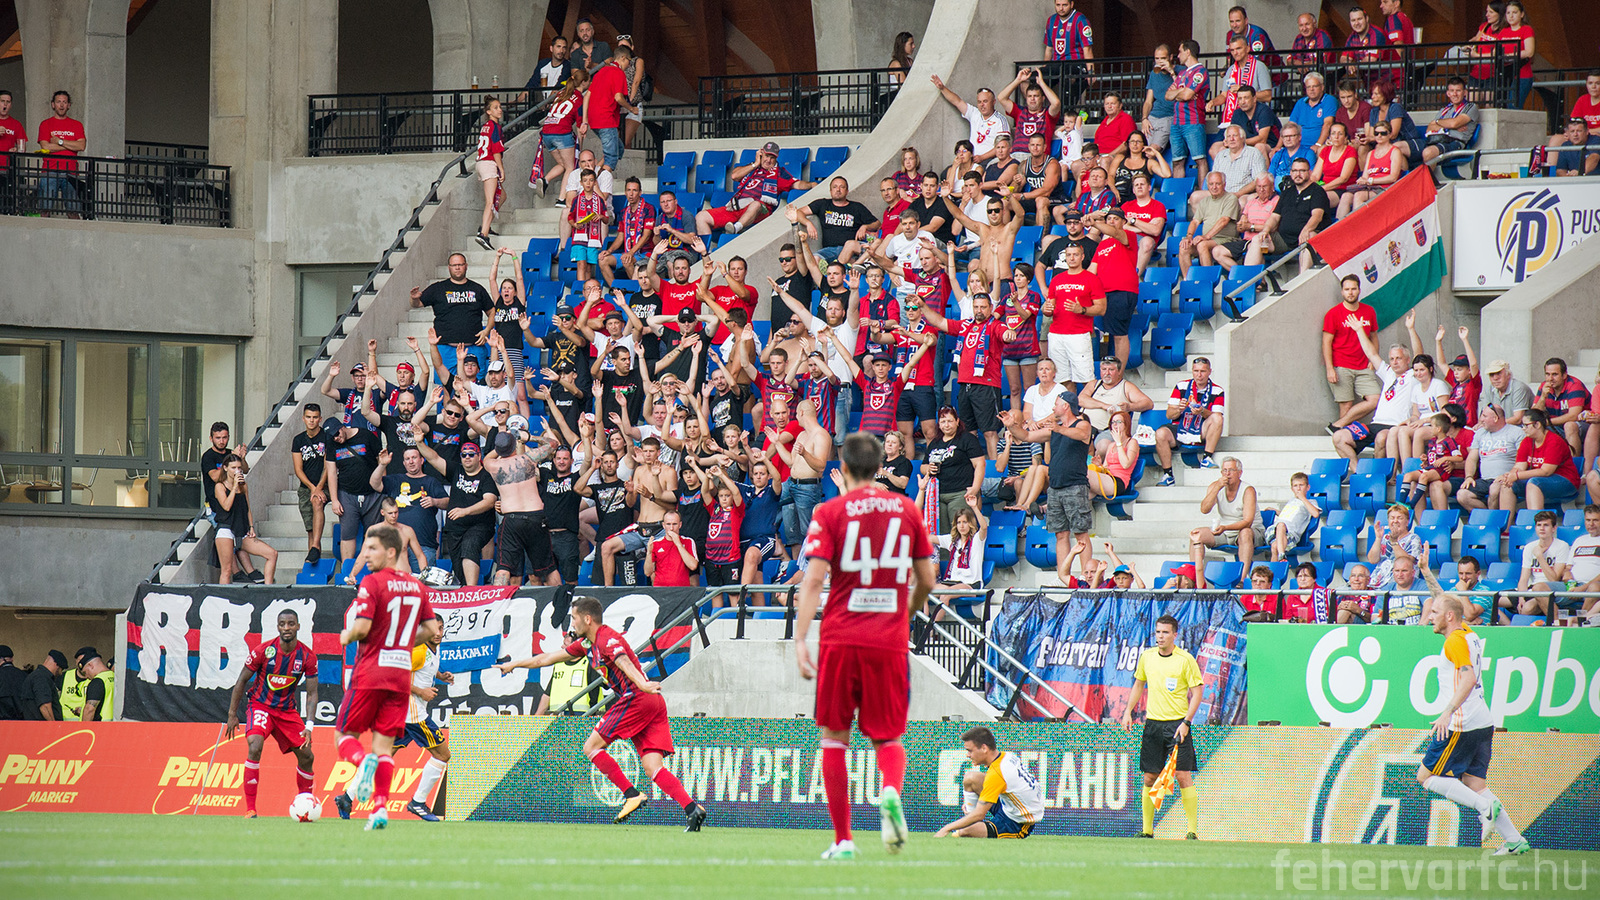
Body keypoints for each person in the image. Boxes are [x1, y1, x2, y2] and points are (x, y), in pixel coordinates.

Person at [794, 432, 937, 859]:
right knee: (888, 736)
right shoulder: (907, 510)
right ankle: (889, 790)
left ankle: (843, 841)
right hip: (888, 639)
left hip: (841, 636)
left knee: (834, 738)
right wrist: (905, 613)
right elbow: (927, 579)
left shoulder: (831, 511)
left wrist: (800, 637)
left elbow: (813, 580)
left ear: (843, 465)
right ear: (880, 467)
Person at [500, 596, 707, 828]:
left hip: (637, 698)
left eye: (574, 618)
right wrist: (514, 664)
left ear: (587, 619)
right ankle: (692, 808)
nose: (572, 623)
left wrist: (642, 684)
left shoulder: (606, 639)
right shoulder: (587, 644)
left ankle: (631, 795)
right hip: (652, 702)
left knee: (591, 747)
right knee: (652, 767)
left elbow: (623, 661)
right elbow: (546, 659)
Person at [1414, 567, 1530, 855]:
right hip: (1483, 720)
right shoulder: (1467, 632)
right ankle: (1514, 840)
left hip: (1460, 722)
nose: (1430, 616)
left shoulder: (1454, 641)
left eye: (1434, 613)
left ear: (1448, 617)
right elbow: (1446, 600)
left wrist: (1447, 712)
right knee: (1474, 782)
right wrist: (1426, 571)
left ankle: (1484, 808)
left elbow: (1467, 678)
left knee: (1425, 777)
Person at [332, 524, 439, 831]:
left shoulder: (373, 582)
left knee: (344, 736)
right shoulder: (417, 587)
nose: (366, 555)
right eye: (366, 548)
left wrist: (347, 635)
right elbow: (432, 630)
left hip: (371, 671)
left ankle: (361, 763)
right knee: (384, 746)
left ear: (391, 552)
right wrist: (403, 644)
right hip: (399, 677)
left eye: (372, 549)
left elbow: (363, 628)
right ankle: (379, 809)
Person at [336, 615, 453, 821]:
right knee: (442, 755)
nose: (437, 633)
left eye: (441, 628)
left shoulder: (431, 648)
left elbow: (422, 668)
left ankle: (347, 797)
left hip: (400, 713)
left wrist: (440, 676)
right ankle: (418, 802)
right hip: (413, 714)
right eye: (433, 628)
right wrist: (421, 691)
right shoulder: (418, 650)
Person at [223, 609, 316, 818]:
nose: (286, 628)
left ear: (298, 626)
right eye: (282, 624)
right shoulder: (264, 651)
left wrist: (309, 726)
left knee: (307, 756)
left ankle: (306, 807)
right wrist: (232, 714)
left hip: (287, 711)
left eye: (291, 624)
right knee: (254, 745)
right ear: (277, 627)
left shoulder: (307, 656)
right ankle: (250, 809)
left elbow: (312, 694)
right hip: (261, 706)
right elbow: (241, 681)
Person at [1121, 615, 1203, 840]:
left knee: (1182, 775)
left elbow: (1197, 693)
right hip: (1153, 725)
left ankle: (1192, 830)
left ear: (1175, 635)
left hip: (1177, 725)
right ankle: (1147, 830)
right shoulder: (1147, 657)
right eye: (1158, 632)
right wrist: (1128, 711)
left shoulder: (1185, 660)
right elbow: (1139, 684)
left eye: (1165, 632)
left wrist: (1186, 722)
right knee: (1150, 777)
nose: (1160, 636)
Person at [938, 725, 1047, 839]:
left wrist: (946, 828)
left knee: (964, 831)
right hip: (1007, 805)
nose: (968, 755)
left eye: (970, 751)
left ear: (984, 748)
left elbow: (980, 814)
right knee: (970, 778)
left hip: (1018, 823)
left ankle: (972, 824)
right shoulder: (1005, 756)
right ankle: (971, 820)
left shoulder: (997, 773)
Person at [696, 141, 810, 237]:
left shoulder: (779, 173)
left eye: (772, 158)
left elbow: (798, 185)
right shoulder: (751, 168)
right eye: (766, 156)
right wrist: (755, 164)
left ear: (776, 159)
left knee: (756, 204)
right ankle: (706, 252)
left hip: (759, 211)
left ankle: (735, 229)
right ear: (761, 154)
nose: (768, 160)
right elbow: (734, 176)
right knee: (701, 217)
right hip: (736, 208)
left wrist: (814, 185)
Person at [411, 253, 494, 375]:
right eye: (454, 265)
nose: (457, 268)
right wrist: (414, 298)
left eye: (460, 264)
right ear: (449, 267)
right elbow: (417, 304)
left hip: (474, 347)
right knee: (445, 384)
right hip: (445, 349)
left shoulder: (477, 289)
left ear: (466, 266)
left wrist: (486, 331)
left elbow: (492, 312)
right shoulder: (438, 288)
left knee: (477, 384)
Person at [1187, 457, 1261, 585]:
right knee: (1196, 534)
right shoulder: (1216, 486)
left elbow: (1247, 522)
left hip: (1250, 531)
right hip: (1225, 531)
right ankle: (1194, 578)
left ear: (1239, 473)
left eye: (1231, 470)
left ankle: (1241, 579)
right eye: (1224, 470)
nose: (1227, 474)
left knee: (1245, 532)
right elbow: (1204, 509)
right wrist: (1217, 488)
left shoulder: (1248, 490)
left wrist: (1225, 527)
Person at [1153, 357, 1225, 486]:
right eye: (1196, 371)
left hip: (1202, 427)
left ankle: (1207, 457)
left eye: (1203, 371)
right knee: (1160, 433)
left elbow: (1216, 416)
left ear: (1209, 372)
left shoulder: (1217, 390)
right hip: (1180, 426)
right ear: (1192, 371)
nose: (1199, 375)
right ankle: (1168, 475)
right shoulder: (1181, 386)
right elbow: (1169, 414)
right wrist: (1179, 409)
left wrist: (1202, 411)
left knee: (1218, 418)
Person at [1042, 240, 1104, 388]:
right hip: (1057, 334)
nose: (1071, 258)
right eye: (1068, 255)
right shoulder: (1056, 279)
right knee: (1061, 380)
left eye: (1075, 255)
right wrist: (1046, 309)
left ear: (1082, 257)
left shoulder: (1091, 279)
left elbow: (1101, 308)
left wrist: (1082, 309)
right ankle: (1069, 404)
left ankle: (1087, 403)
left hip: (1079, 334)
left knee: (1086, 379)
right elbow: (1050, 307)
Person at [1323, 274, 1379, 432]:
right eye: (1347, 289)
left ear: (1359, 290)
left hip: (1364, 366)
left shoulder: (1368, 311)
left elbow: (1374, 336)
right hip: (1341, 365)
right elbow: (1326, 342)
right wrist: (1329, 368)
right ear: (1342, 292)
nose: (1350, 292)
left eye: (1353, 289)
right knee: (1346, 405)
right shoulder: (1333, 313)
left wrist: (1373, 359)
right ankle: (1344, 439)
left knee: (1375, 399)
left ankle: (1336, 426)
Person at [210, 454, 277, 585]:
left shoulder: (243, 486)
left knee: (272, 554)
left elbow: (247, 508)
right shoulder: (220, 486)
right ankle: (222, 597)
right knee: (226, 570)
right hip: (225, 528)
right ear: (225, 468)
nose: (237, 471)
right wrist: (234, 487)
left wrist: (251, 527)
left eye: (239, 468)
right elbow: (226, 506)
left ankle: (268, 589)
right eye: (233, 468)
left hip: (241, 529)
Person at [1500, 408, 1581, 513]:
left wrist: (1517, 475)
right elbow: (1519, 466)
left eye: (1526, 425)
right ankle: (1506, 524)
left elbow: (1546, 471)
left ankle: (1535, 521)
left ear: (1537, 424)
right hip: (1541, 480)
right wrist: (1510, 476)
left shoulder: (1554, 441)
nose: (1523, 429)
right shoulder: (1527, 441)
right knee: (1507, 485)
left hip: (1566, 481)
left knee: (1534, 483)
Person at [1457, 403, 1523, 512]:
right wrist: (1469, 476)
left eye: (1484, 416)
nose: (1481, 420)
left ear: (1496, 418)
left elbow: (1522, 459)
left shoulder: (1516, 432)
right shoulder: (1480, 433)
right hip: (1485, 480)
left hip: (1506, 478)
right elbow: (1472, 459)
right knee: (1462, 495)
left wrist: (1508, 475)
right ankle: (1489, 516)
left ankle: (1494, 519)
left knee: (1494, 489)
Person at [798, 177, 877, 265]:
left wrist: (865, 226)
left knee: (850, 247)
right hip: (829, 250)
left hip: (851, 250)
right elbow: (798, 212)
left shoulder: (857, 207)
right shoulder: (823, 204)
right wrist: (808, 223)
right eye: (835, 187)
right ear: (830, 191)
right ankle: (839, 267)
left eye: (842, 187)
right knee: (815, 259)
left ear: (847, 191)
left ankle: (840, 266)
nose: (838, 190)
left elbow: (877, 224)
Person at [1177, 172, 1240, 278]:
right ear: (1207, 185)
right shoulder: (1204, 201)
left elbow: (1224, 221)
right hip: (1209, 240)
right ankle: (1188, 281)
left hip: (1226, 240)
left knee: (1202, 245)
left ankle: (1207, 281)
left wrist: (1206, 236)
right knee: (1184, 247)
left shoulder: (1231, 198)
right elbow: (1195, 221)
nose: (1214, 187)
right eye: (1211, 184)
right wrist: (1189, 236)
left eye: (1217, 184)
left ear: (1224, 184)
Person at [930, 75, 1007, 162]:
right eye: (979, 102)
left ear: (993, 102)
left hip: (990, 161)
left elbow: (1003, 145)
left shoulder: (1000, 120)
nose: (982, 105)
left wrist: (982, 157)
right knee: (948, 170)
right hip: (971, 160)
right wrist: (942, 88)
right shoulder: (975, 113)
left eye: (985, 101)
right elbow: (957, 102)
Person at [582, 45, 634, 172]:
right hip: (606, 119)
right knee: (611, 158)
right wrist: (632, 109)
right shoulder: (619, 73)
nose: (629, 65)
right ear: (623, 58)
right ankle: (597, 182)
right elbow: (618, 98)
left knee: (618, 148)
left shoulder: (601, 72)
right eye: (629, 61)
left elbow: (587, 96)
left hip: (594, 120)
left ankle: (595, 173)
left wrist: (585, 121)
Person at [1213, 174, 1278, 272]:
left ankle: (1250, 277)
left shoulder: (1276, 201)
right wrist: (1241, 225)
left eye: (1265, 186)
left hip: (1266, 240)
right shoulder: (1251, 202)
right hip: (1246, 241)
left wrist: (1251, 226)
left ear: (1272, 186)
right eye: (1259, 186)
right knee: (1217, 251)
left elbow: (1274, 227)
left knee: (1254, 247)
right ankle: (1242, 273)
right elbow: (1240, 228)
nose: (1261, 189)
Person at [36, 91, 86, 216]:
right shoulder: (45, 124)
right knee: (44, 209)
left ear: (69, 105)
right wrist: (69, 146)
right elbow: (45, 146)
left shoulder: (77, 125)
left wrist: (59, 141)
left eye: (64, 102)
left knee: (73, 211)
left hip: (71, 172)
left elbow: (81, 146)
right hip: (50, 170)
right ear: (53, 104)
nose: (62, 105)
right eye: (58, 102)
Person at [1167, 41, 1211, 182]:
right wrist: (1182, 91)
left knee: (1200, 159)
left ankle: (1203, 192)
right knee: (1177, 161)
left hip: (1193, 121)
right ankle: (1177, 192)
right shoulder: (1181, 74)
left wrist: (1180, 92)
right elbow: (1167, 95)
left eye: (1180, 52)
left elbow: (1187, 95)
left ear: (1188, 52)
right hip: (1176, 123)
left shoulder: (1200, 71)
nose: (1178, 55)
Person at [1211, 35, 1272, 124]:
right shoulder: (1231, 69)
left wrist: (1242, 91)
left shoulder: (1259, 66)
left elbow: (1268, 96)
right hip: (1233, 118)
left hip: (1253, 118)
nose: (1235, 53)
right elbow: (1224, 95)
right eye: (1232, 50)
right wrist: (1213, 102)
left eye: (1238, 48)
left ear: (1247, 48)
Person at [1536, 357, 1591, 454]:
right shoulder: (1544, 386)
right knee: (1531, 427)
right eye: (1547, 374)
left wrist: (1547, 422)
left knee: (1569, 426)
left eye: (1555, 374)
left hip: (1584, 425)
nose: (1550, 379)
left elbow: (1574, 416)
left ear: (1564, 375)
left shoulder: (1574, 385)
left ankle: (1574, 461)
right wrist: (1543, 397)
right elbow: (1534, 414)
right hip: (1556, 426)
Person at [1420, 77, 1480, 164]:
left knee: (1429, 153)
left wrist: (1438, 122)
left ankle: (1427, 174)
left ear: (1465, 92)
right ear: (1448, 93)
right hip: (1437, 140)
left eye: (1458, 90)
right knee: (1405, 150)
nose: (1455, 94)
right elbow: (1429, 128)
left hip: (1456, 143)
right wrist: (1451, 127)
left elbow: (1454, 123)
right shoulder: (1445, 110)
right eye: (1452, 91)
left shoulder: (1470, 107)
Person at [472, 96, 505, 250]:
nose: (500, 110)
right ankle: (483, 234)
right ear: (488, 111)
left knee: (502, 196)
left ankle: (486, 224)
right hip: (489, 162)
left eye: (500, 107)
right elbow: (496, 150)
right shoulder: (495, 127)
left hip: (480, 162)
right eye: (496, 108)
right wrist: (501, 169)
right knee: (490, 202)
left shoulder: (485, 126)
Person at [1368, 503, 1425, 589]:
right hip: (1377, 583)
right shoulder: (1385, 537)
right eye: (1392, 518)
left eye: (1399, 518)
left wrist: (1394, 542)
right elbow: (1372, 560)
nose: (1395, 521)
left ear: (1407, 522)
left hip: (1399, 585)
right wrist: (1378, 538)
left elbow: (1407, 562)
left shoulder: (1413, 539)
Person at [1272, 472, 1321, 562]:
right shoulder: (1291, 501)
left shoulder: (1311, 502)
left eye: (1301, 485)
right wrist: (1275, 511)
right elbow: (1288, 515)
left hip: (1291, 535)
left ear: (1308, 487)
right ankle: (1281, 557)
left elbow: (1315, 514)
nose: (1298, 488)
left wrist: (1303, 498)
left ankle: (1279, 561)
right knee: (1280, 525)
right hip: (1275, 531)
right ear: (1292, 489)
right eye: (1295, 486)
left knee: (1275, 546)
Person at [1314, 121, 1360, 209]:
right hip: (1325, 188)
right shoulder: (1325, 150)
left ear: (1345, 137)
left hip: (1342, 189)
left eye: (1340, 134)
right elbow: (1315, 175)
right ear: (1329, 137)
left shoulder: (1350, 151)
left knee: (1318, 199)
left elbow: (1343, 178)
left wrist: (1322, 189)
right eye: (1333, 133)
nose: (1336, 137)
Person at [518, 34, 573, 105]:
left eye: (564, 47)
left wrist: (545, 105)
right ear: (551, 48)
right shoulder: (542, 64)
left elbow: (558, 88)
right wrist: (516, 101)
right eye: (558, 47)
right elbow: (532, 84)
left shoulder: (567, 65)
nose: (561, 50)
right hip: (546, 104)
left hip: (559, 105)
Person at [1140, 44, 1176, 152]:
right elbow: (1148, 101)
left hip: (1169, 116)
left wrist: (1172, 72)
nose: (1160, 61)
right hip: (1152, 118)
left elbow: (1183, 90)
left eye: (1163, 58)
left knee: (1152, 150)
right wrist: (1144, 118)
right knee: (1140, 149)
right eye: (1157, 58)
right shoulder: (1154, 74)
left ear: (1170, 57)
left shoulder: (1180, 71)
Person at [1289, 72, 1336, 150]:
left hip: (1319, 146)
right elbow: (1290, 126)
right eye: (1308, 87)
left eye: (1315, 86)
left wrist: (1318, 144)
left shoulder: (1329, 100)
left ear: (1322, 87)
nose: (1311, 89)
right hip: (1299, 146)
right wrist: (1278, 146)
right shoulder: (1301, 102)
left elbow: (1328, 124)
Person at [0, 90, 27, 215]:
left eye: (8, 102)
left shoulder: (16, 124)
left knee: (6, 203)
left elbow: (22, 147)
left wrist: (16, 150)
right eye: (2, 101)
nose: (5, 104)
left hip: (7, 169)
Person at [21, 650, 66, 721]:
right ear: (56, 664)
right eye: (61, 669)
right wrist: (53, 725)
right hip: (41, 725)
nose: (60, 673)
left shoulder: (37, 675)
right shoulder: (41, 678)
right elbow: (45, 706)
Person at [76, 651, 114, 722]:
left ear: (90, 665)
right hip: (114, 725)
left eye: (85, 672)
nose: (86, 676)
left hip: (99, 726)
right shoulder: (114, 677)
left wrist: (84, 727)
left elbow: (90, 709)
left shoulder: (98, 681)